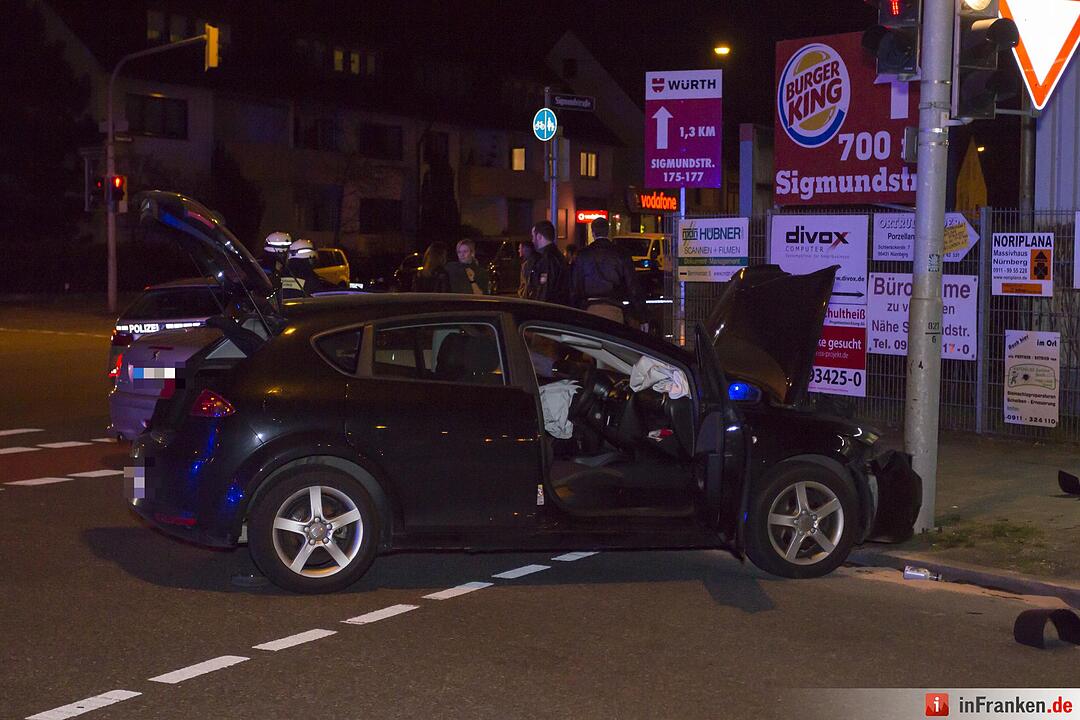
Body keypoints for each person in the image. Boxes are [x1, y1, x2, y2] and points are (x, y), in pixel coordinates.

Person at [570, 216, 644, 324]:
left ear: (593, 232)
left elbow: (575, 287)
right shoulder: (621, 253)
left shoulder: (583, 255)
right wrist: (641, 315)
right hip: (614, 308)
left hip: (590, 309)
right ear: (608, 232)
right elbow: (633, 285)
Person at [525, 220, 570, 305]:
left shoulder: (547, 259)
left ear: (539, 236)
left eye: (533, 236)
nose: (532, 240)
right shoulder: (558, 256)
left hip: (549, 310)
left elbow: (544, 290)